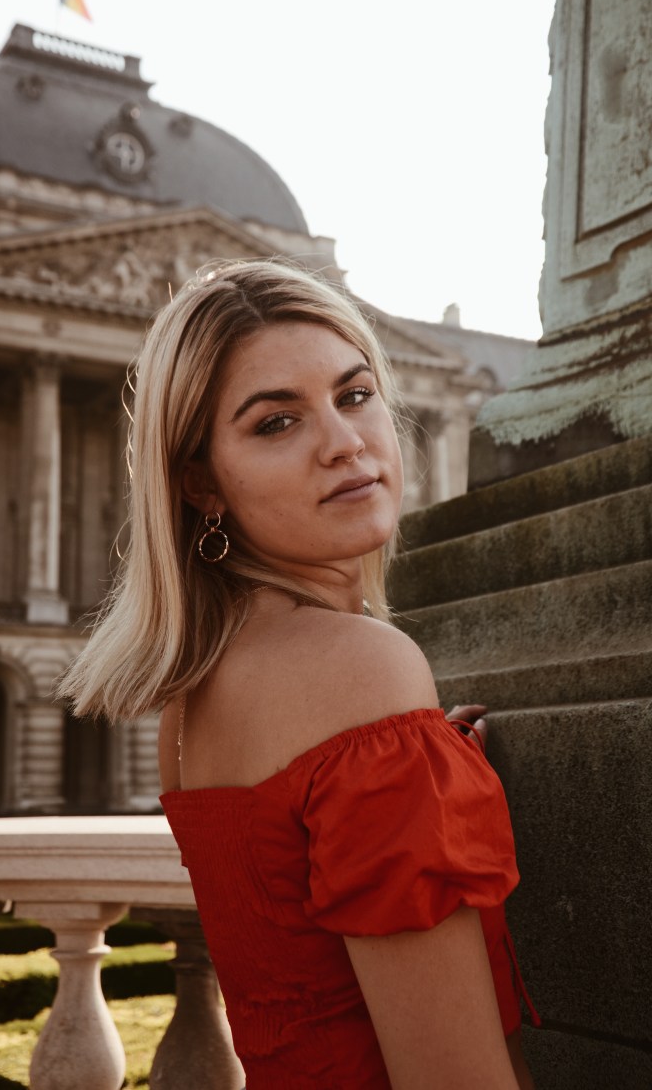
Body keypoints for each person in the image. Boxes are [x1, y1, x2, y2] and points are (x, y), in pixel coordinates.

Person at [61, 259, 537, 1089]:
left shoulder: (195, 695)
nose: (345, 442)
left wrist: (421, 778)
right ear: (201, 482)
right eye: (277, 422)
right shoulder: (361, 667)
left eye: (355, 394)